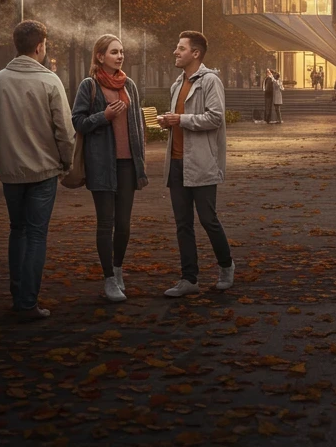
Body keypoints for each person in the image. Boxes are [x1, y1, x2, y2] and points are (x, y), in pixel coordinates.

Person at [0, 20, 75, 319]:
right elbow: (65, 130)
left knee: (17, 230)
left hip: (11, 170)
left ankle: (17, 293)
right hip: (43, 170)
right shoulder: (50, 81)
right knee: (36, 235)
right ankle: (28, 301)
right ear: (39, 46)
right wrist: (66, 162)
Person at [72, 34, 149, 303]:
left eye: (121, 51)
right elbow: (78, 122)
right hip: (102, 163)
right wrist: (104, 116)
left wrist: (140, 161)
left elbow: (137, 123)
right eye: (114, 52)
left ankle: (117, 270)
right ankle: (108, 279)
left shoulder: (129, 85)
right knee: (106, 223)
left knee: (123, 224)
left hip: (128, 164)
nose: (120, 56)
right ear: (100, 56)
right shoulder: (89, 85)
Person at [158, 31, 235, 297]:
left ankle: (226, 266)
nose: (175, 52)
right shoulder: (177, 84)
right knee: (183, 224)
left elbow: (215, 118)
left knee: (208, 219)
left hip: (201, 162)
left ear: (196, 53)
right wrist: (169, 122)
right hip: (176, 162)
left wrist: (180, 119)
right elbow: (181, 119)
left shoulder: (210, 81)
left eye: (181, 48)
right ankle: (189, 279)